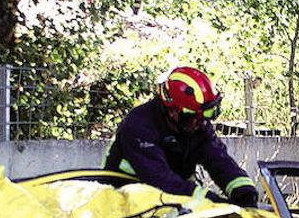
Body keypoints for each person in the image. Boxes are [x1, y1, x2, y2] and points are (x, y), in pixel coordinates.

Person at [104, 66, 259, 206]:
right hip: (125, 199)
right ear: (173, 112)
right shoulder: (139, 126)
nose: (200, 124)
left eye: (205, 118)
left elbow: (220, 161)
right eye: (193, 118)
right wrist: (213, 201)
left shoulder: (197, 125)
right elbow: (160, 180)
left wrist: (244, 192)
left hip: (170, 199)